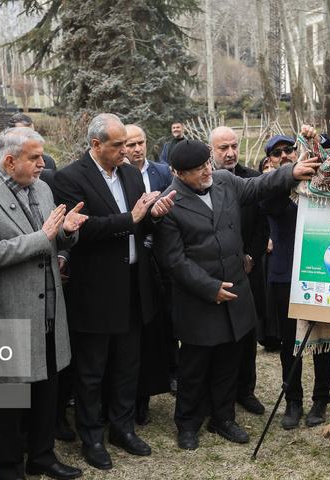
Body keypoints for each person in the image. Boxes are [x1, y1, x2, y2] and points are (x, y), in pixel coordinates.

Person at [154, 138, 321, 450]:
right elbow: (174, 260)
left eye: (207, 164)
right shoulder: (169, 203)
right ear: (178, 173)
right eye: (197, 170)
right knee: (195, 366)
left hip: (235, 292)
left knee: (229, 361)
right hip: (199, 299)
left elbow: (258, 186)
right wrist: (209, 288)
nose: (206, 171)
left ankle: (223, 417)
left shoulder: (224, 180)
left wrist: (292, 172)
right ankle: (187, 424)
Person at [0, 127, 85, 480]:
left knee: (47, 390)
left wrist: (67, 232)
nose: (43, 164)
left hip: (48, 310)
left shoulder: (42, 187)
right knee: (10, 401)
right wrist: (45, 236)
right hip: (10, 313)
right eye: (35, 158)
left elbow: (52, 237)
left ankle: (42, 456)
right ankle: (9, 467)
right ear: (10, 160)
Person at [53, 114, 175, 471]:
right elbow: (81, 230)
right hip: (96, 289)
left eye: (128, 143)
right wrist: (133, 218)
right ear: (96, 145)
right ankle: (91, 436)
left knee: (127, 364)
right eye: (118, 145)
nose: (127, 151)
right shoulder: (70, 177)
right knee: (92, 370)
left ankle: (122, 428)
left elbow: (141, 221)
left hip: (134, 284)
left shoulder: (131, 174)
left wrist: (154, 214)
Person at [259, 133, 330, 431]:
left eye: (289, 149)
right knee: (289, 342)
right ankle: (293, 400)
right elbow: (276, 205)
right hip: (285, 275)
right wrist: (288, 175)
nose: (284, 155)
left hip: (320, 272)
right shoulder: (269, 186)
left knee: (323, 340)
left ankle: (321, 399)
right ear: (269, 160)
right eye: (277, 153)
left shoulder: (318, 181)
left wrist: (320, 139)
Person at [208, 126, 269, 415]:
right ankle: (219, 392)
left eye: (234, 146)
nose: (230, 153)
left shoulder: (253, 180)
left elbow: (262, 224)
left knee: (247, 334)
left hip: (247, 271)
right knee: (218, 337)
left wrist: (251, 257)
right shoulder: (201, 181)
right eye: (223, 148)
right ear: (211, 151)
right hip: (214, 275)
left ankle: (246, 390)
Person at [123, 124, 175, 425]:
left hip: (158, 262)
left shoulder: (162, 172)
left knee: (161, 326)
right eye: (130, 144)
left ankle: (162, 380)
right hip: (128, 263)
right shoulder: (120, 176)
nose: (137, 149)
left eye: (141, 142)